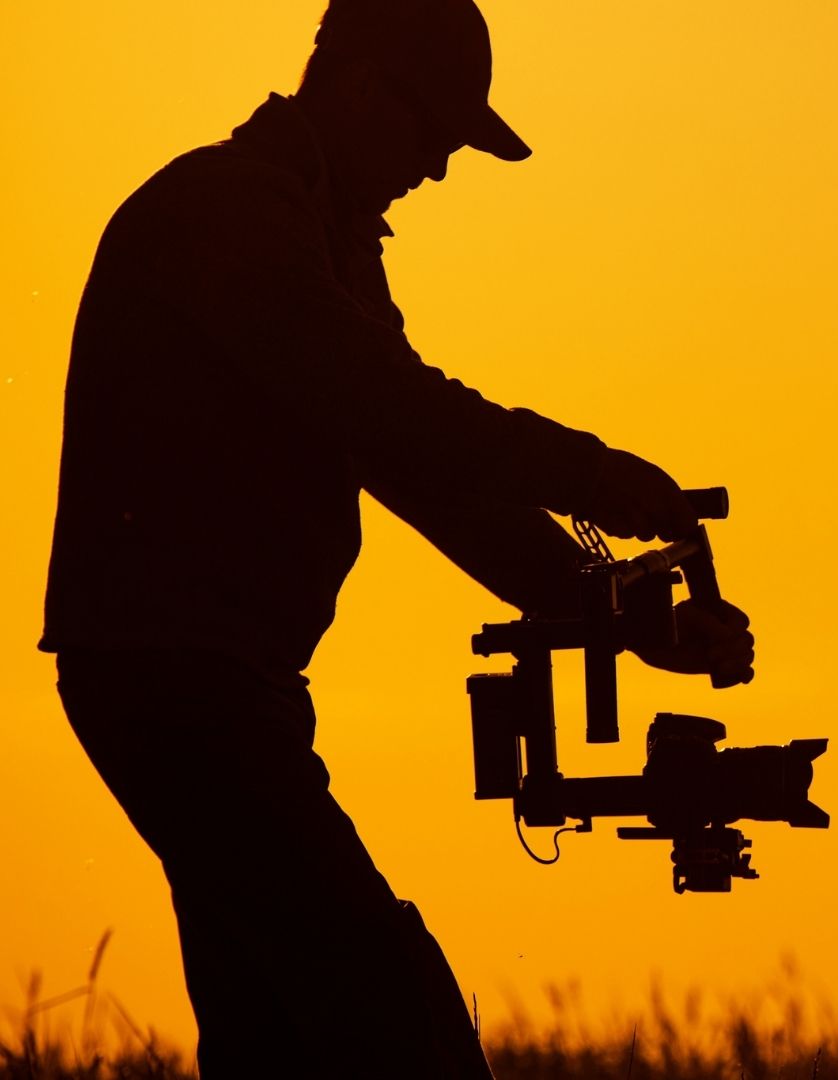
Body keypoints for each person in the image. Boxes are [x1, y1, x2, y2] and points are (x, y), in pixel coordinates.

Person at [40, 0, 754, 1075]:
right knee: (394, 1015)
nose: (437, 170)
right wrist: (591, 474)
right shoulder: (227, 216)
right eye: (434, 136)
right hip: (178, 692)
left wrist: (624, 615)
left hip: (228, 693)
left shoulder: (316, 241)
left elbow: (429, 479)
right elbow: (398, 416)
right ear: (367, 89)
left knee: (277, 1035)